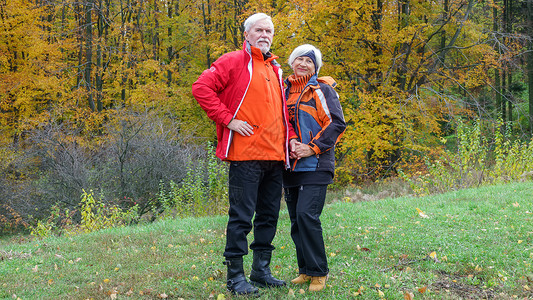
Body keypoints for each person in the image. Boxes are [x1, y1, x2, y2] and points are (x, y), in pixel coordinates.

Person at [191, 13, 297, 296]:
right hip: (245, 155)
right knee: (241, 217)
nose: (265, 34)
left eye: (269, 30)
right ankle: (235, 277)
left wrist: (290, 141)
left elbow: (282, 113)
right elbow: (201, 88)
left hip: (275, 157)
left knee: (269, 216)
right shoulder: (234, 61)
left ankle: (261, 271)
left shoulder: (275, 69)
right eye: (259, 30)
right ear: (247, 34)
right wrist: (228, 119)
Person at [283, 44, 346, 292]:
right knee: (296, 220)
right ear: (291, 62)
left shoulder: (323, 89)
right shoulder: (283, 91)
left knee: (307, 216)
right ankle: (305, 270)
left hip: (317, 163)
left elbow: (336, 124)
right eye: (299, 59)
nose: (303, 64)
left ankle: (319, 272)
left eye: (309, 61)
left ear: (315, 67)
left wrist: (312, 147)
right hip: (290, 166)